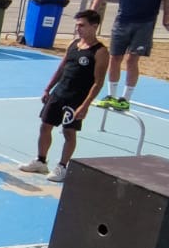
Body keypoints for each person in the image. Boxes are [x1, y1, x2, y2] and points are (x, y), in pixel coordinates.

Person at [20, 9, 109, 182]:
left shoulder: (100, 52)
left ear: (94, 26)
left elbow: (98, 82)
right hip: (59, 93)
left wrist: (85, 105)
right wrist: (48, 88)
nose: (78, 29)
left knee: (69, 133)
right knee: (45, 126)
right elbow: (61, 68)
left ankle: (62, 167)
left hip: (76, 99)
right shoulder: (74, 44)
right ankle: (41, 161)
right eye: (77, 25)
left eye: (82, 25)